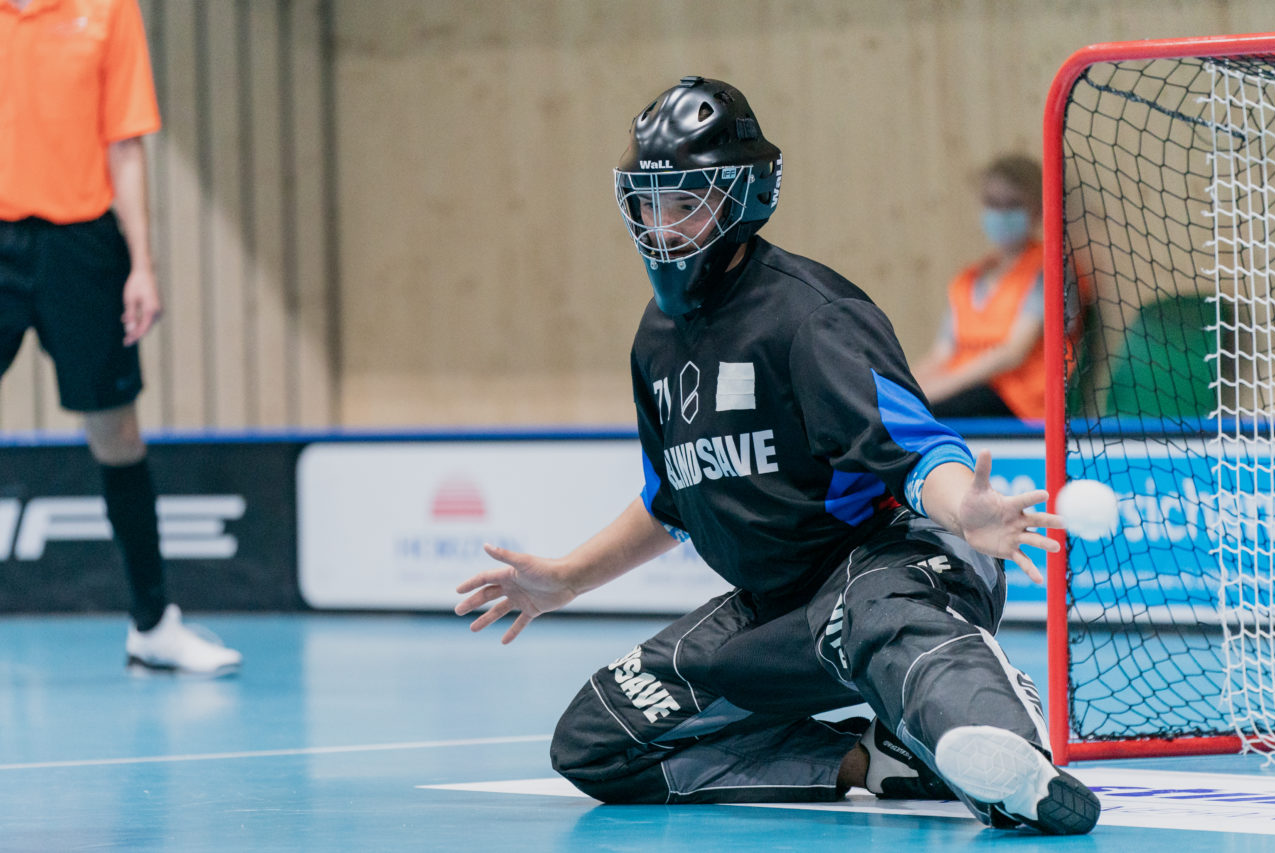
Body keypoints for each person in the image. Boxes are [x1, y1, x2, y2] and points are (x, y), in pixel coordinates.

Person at [455, 77, 1099, 834]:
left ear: (745, 197)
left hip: (894, 561)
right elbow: (672, 499)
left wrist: (969, 510)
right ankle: (876, 760)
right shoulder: (655, 341)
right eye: (649, 202)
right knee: (595, 742)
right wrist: (563, 578)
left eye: (687, 201)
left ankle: (1012, 762)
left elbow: (917, 450)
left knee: (884, 618)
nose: (663, 226)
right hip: (777, 613)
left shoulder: (811, 316)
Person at [0, 0, 241, 675]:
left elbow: (125, 144)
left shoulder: (107, 11)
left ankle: (152, 626)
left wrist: (142, 264)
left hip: (84, 247)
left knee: (116, 435)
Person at [913, 154, 1074, 421]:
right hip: (967, 391)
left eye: (1013, 205)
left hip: (1019, 404)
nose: (1001, 214)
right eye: (993, 204)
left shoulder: (1049, 269)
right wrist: (900, 390)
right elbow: (942, 354)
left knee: (927, 415)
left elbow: (1013, 352)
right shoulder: (967, 281)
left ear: (1037, 209)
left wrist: (935, 391)